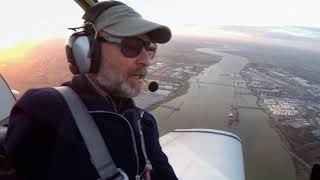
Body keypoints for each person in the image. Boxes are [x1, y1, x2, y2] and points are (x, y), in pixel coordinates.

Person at [4, 1, 178, 180]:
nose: (146, 60)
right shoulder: (44, 110)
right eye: (132, 46)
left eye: (150, 49)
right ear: (88, 51)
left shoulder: (144, 123)